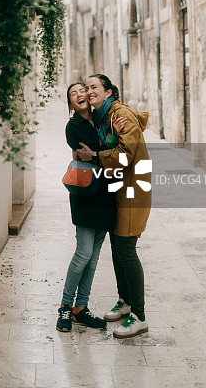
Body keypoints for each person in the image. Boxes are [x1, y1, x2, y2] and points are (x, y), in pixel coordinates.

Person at [76, 73, 151, 339]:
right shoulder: (103, 117)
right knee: (118, 250)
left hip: (132, 191)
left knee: (126, 250)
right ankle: (126, 302)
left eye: (94, 86)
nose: (88, 90)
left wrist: (95, 155)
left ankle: (139, 316)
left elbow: (126, 156)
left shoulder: (121, 115)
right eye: (86, 87)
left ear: (108, 92)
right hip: (118, 191)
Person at [56, 82, 125, 333]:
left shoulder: (102, 118)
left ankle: (80, 309)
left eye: (81, 91)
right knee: (83, 254)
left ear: (88, 95)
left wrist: (111, 140)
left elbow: (109, 152)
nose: (78, 95)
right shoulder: (73, 127)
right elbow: (100, 151)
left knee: (94, 259)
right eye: (72, 94)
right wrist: (112, 139)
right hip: (85, 194)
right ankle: (65, 307)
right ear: (71, 103)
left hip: (106, 194)